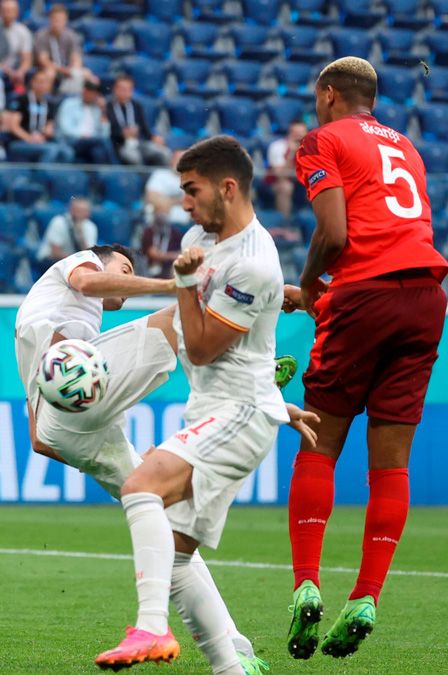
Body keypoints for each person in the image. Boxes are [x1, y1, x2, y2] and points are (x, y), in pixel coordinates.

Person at [94, 136, 290, 673]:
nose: (184, 202)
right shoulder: (203, 238)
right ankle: (232, 668)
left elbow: (201, 344)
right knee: (177, 559)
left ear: (227, 188)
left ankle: (150, 629)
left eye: (191, 190)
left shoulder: (254, 263)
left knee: (140, 486)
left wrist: (182, 281)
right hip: (219, 410)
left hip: (240, 412)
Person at [283, 57, 448, 660]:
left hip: (364, 295)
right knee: (391, 464)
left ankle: (306, 584)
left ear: (328, 94)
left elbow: (335, 235)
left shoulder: (322, 139)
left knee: (318, 443)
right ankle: (367, 595)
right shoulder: (406, 146)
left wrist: (309, 286)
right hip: (427, 299)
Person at [5, 68, 72, 164]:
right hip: (20, 141)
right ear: (33, 83)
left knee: (67, 152)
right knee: (51, 150)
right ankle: (43, 176)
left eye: (46, 82)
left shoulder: (49, 104)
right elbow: (13, 126)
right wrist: (29, 138)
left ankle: (58, 177)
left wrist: (46, 133)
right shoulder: (22, 99)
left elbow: (49, 126)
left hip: (40, 140)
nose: (43, 85)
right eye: (40, 82)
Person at [108, 75, 169, 167]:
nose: (125, 92)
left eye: (128, 89)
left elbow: (144, 128)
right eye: (122, 89)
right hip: (120, 145)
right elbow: (107, 129)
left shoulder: (136, 106)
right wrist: (122, 134)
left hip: (139, 142)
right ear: (115, 89)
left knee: (164, 153)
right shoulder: (108, 106)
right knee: (134, 157)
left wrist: (154, 137)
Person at [34, 4, 96, 95]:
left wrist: (73, 69)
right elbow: (44, 61)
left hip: (66, 68)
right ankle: (47, 101)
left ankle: (78, 101)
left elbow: (76, 58)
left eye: (61, 20)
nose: (58, 22)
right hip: (47, 68)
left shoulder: (71, 36)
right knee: (50, 73)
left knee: (88, 74)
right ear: (50, 20)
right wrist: (64, 70)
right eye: (55, 19)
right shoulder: (42, 35)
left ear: (65, 21)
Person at [0, 0, 33, 93]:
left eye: (10, 10)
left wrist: (21, 71)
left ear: (16, 12)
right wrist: (6, 70)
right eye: (5, 10)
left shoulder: (23, 31)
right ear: (0, 11)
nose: (7, 13)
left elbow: (27, 58)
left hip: (15, 70)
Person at [56, 80, 114, 165]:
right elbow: (65, 128)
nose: (89, 95)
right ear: (83, 91)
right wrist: (83, 136)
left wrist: (103, 112)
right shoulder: (69, 104)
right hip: (73, 141)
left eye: (93, 93)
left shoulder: (98, 109)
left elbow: (105, 134)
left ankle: (99, 177)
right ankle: (115, 166)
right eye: (87, 92)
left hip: (93, 142)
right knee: (102, 142)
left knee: (97, 152)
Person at [37, 196, 97, 266]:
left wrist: (81, 235)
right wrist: (76, 261)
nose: (84, 214)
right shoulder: (59, 222)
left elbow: (88, 254)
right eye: (79, 210)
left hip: (73, 262)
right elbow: (55, 253)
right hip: (51, 261)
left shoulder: (90, 226)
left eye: (85, 211)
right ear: (71, 210)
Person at [266, 120, 307, 219]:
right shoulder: (277, 146)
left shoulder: (310, 148)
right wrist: (292, 153)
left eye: (302, 134)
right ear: (290, 134)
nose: (299, 138)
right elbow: (279, 174)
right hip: (275, 182)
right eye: (296, 134)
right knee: (285, 187)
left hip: (301, 183)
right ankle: (285, 224)